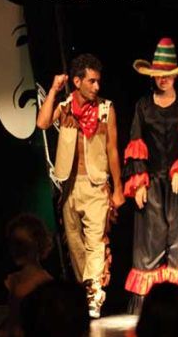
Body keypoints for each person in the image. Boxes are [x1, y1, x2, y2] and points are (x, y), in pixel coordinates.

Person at [123, 37, 178, 312]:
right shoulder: (143, 106)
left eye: (168, 74)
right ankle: (145, 310)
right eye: (158, 74)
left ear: (176, 76)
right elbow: (136, 143)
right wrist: (138, 183)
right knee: (149, 247)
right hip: (151, 184)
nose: (163, 79)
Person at [36, 53, 125, 318]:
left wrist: (118, 188)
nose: (97, 87)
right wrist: (54, 89)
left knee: (95, 243)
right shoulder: (65, 107)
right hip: (70, 186)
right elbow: (42, 122)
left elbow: (112, 150)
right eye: (91, 81)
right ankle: (85, 294)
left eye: (98, 81)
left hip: (96, 185)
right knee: (75, 245)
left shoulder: (106, 109)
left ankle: (95, 296)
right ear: (77, 81)